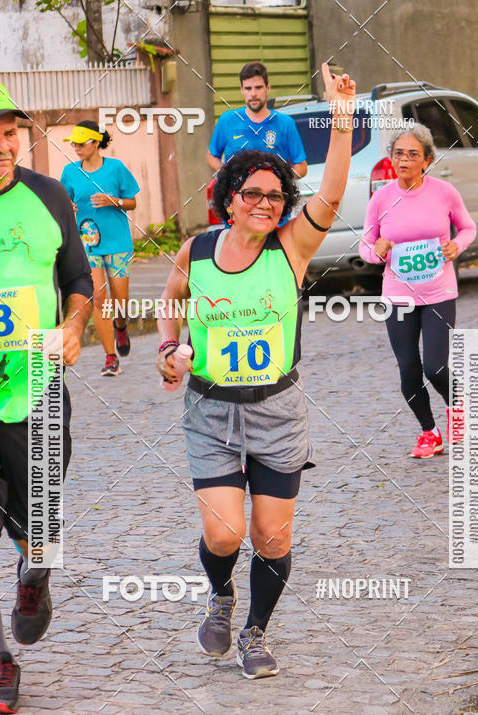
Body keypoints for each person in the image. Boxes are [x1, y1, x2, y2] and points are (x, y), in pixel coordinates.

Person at [158, 63, 355, 679]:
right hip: (210, 410)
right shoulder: (196, 251)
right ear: (229, 199)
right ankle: (220, 595)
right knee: (224, 534)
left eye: (275, 195)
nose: (267, 203)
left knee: (272, 537)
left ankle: (255, 631)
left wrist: (341, 117)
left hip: (277, 410)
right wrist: (170, 349)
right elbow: (169, 301)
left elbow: (331, 193)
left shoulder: (291, 249)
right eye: (254, 194)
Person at [0, 80, 92, 713]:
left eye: (11, 133)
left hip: (35, 391)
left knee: (38, 531)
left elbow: (78, 280)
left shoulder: (48, 195)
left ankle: (34, 574)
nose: (4, 146)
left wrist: (74, 327)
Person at [358, 124, 477, 458]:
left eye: (413, 154)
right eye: (398, 154)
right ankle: (429, 432)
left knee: (435, 367)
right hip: (398, 295)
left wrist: (456, 246)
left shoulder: (444, 192)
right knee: (408, 369)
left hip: (439, 291)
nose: (404, 160)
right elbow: (366, 246)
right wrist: (378, 252)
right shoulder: (381, 198)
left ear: (427, 160)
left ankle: (456, 407)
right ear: (391, 159)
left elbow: (468, 228)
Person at [61, 120, 139, 376]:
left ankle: (121, 325)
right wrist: (68, 207)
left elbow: (132, 202)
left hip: (118, 243)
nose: (76, 148)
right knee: (98, 297)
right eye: (73, 144)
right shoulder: (70, 172)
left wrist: (113, 200)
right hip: (87, 244)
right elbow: (64, 202)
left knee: (120, 302)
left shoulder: (116, 168)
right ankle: (110, 357)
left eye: (81, 144)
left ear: (96, 143)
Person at [206, 61, 308, 180]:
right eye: (248, 88)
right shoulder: (226, 120)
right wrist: (228, 175)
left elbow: (302, 167)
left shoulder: (286, 123)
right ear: (241, 90)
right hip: (236, 191)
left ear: (267, 87)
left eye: (258, 87)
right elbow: (211, 157)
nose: (253, 94)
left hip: (272, 191)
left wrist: (281, 181)